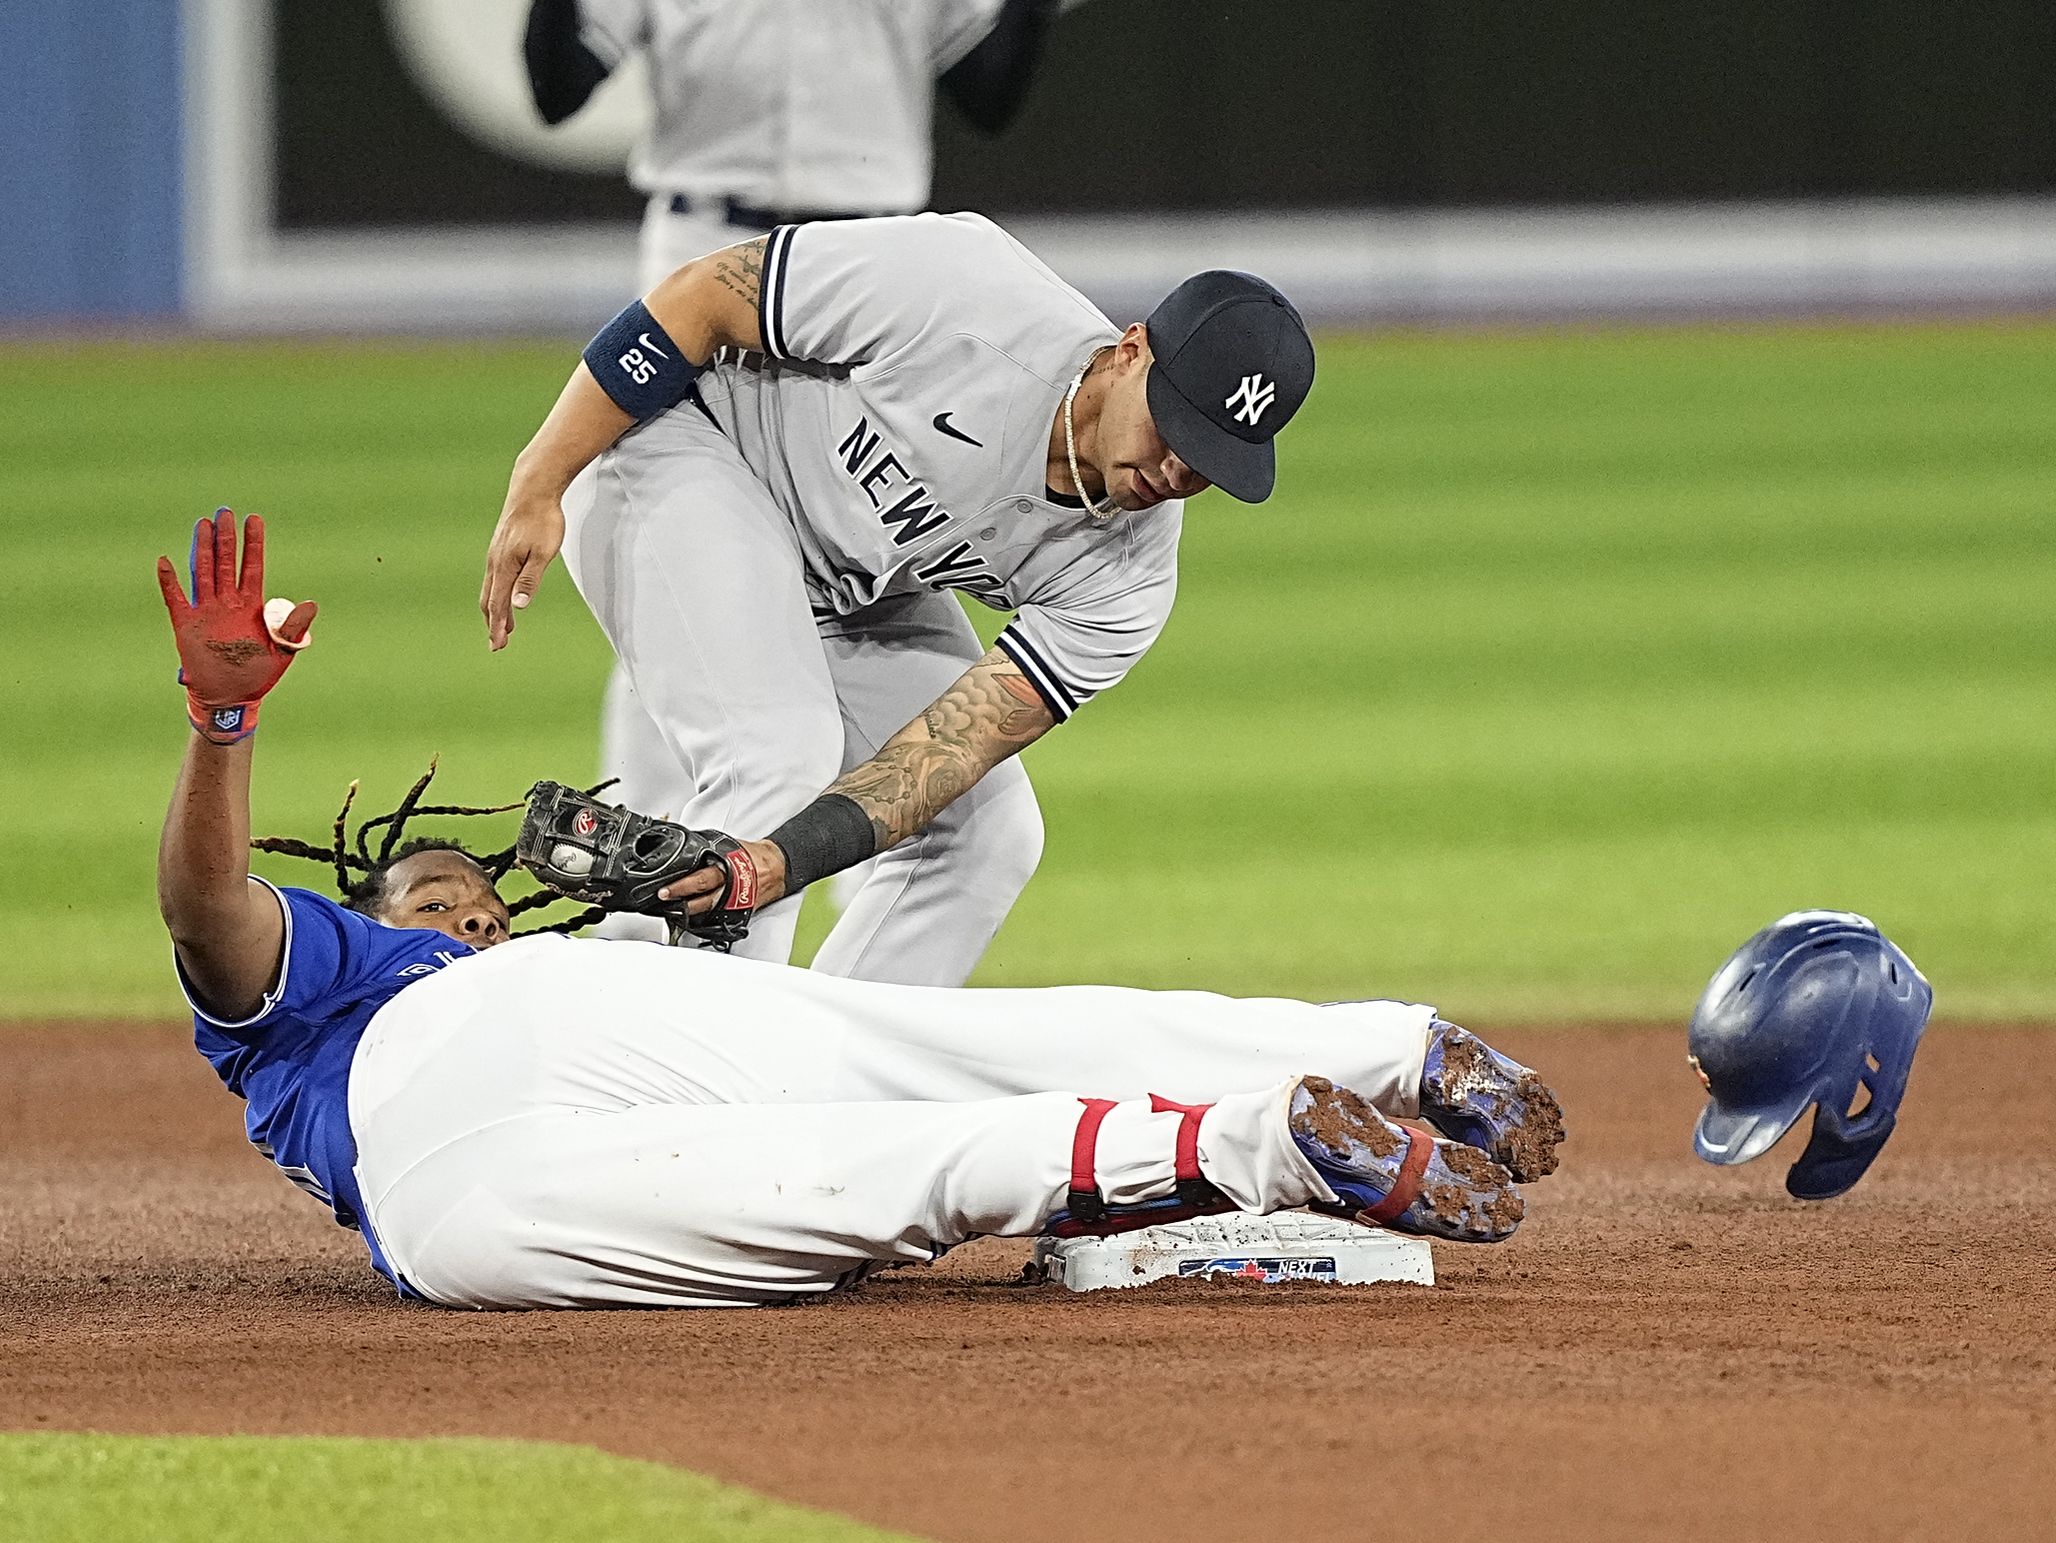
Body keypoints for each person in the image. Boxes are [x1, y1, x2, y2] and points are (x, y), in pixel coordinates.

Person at [162, 510, 1563, 1308]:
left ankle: (1327, 1091)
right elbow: (207, 909)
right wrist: (223, 726)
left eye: (474, 898)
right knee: (887, 1119)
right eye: (429, 896)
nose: (462, 908)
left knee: (887, 1129)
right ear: (370, 915)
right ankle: (1351, 1072)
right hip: (450, 1126)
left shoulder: (525, 969)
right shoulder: (335, 977)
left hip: (526, 1109)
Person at [480, 212, 1318, 987]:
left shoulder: (1128, 576)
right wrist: (540, 476)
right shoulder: (969, 290)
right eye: (1174, 427)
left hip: (847, 581)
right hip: (683, 442)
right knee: (774, 752)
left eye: (1210, 458)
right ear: (1132, 349)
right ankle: (694, 1100)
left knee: (988, 834)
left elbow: (944, 754)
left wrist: (780, 861)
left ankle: (820, 1089)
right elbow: (702, 296)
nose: (1178, 471)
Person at [523, 0, 1074, 920]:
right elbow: (559, 85)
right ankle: (640, 889)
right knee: (692, 592)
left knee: (857, 547)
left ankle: (844, 872)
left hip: (878, 279)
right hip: (702, 255)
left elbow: (989, 91)